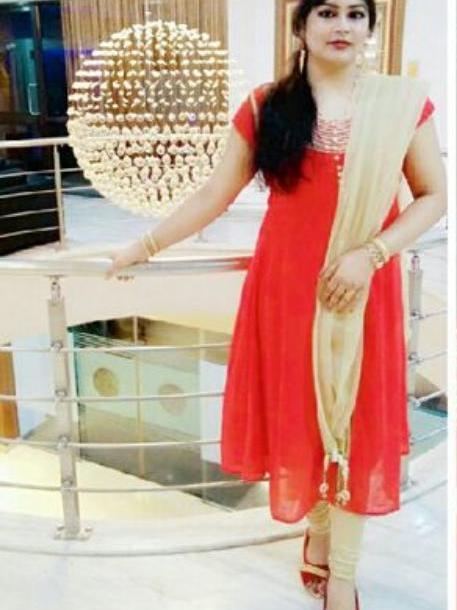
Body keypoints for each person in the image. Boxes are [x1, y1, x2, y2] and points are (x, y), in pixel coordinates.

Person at [106, 1, 447, 608]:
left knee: (356, 421)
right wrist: (145, 245)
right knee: (305, 419)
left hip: (363, 289)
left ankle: (342, 575)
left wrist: (371, 253)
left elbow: (433, 196)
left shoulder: (401, 104)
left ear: (371, 28)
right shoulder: (267, 107)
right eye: (326, 12)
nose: (342, 26)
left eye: (356, 14)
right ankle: (318, 533)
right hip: (287, 292)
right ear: (301, 27)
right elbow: (214, 195)